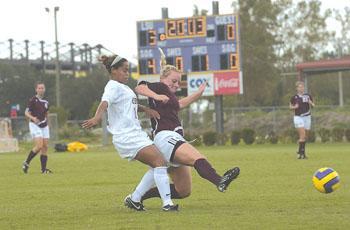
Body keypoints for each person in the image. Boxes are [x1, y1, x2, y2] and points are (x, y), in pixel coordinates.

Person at [127, 49, 240, 206]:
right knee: (197, 157)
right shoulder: (160, 87)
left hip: (170, 140)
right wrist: (156, 95)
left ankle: (136, 198)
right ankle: (219, 180)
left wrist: (198, 94)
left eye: (178, 82)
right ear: (163, 78)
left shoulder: (169, 97)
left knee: (183, 191)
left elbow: (180, 104)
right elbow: (139, 88)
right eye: (173, 80)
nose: (176, 84)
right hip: (166, 138)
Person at [82, 54, 178, 212]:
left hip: (135, 134)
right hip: (127, 136)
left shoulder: (124, 88)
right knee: (160, 162)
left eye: (129, 70)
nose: (127, 73)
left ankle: (135, 199)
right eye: (125, 70)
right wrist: (97, 117)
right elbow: (105, 102)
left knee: (158, 165)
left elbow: (129, 105)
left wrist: (146, 109)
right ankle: (167, 204)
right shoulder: (112, 86)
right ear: (114, 70)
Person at [22, 82, 52, 174]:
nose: (41, 90)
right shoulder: (33, 100)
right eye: (39, 88)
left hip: (44, 125)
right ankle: (26, 163)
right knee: (39, 146)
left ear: (44, 89)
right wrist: (33, 118)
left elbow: (47, 114)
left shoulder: (46, 102)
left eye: (42, 88)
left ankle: (43, 170)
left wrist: (48, 124)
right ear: (36, 89)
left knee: (45, 146)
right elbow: (26, 113)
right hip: (35, 125)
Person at [289, 81, 315, 159]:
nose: (301, 88)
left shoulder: (308, 96)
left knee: (305, 137)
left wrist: (311, 103)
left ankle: (299, 151)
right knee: (302, 135)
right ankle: (302, 154)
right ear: (296, 88)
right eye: (300, 87)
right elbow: (290, 107)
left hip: (307, 117)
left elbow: (313, 105)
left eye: (302, 87)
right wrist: (294, 107)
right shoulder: (294, 97)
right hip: (298, 117)